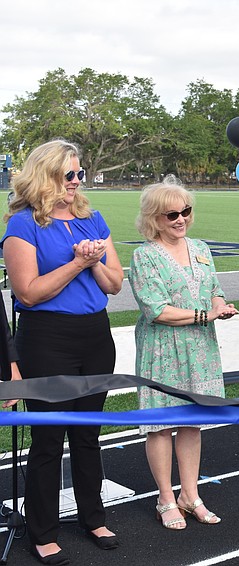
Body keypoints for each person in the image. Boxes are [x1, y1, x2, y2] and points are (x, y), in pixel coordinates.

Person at [2, 139, 124, 564]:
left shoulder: (93, 217)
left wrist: (93, 262)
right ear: (46, 174)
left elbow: (114, 284)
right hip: (46, 337)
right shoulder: (23, 223)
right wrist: (76, 263)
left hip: (95, 335)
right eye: (67, 174)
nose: (75, 182)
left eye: (79, 174)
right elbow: (29, 294)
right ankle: (42, 530)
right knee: (49, 438)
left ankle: (94, 517)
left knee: (88, 432)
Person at [129, 175, 239, 530]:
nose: (180, 219)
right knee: (161, 425)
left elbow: (215, 290)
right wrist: (206, 315)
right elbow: (155, 310)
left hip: (201, 348)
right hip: (162, 349)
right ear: (153, 219)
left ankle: (190, 495)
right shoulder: (144, 256)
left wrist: (221, 307)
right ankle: (165, 497)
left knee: (192, 423)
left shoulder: (202, 249)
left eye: (185, 211)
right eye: (170, 214)